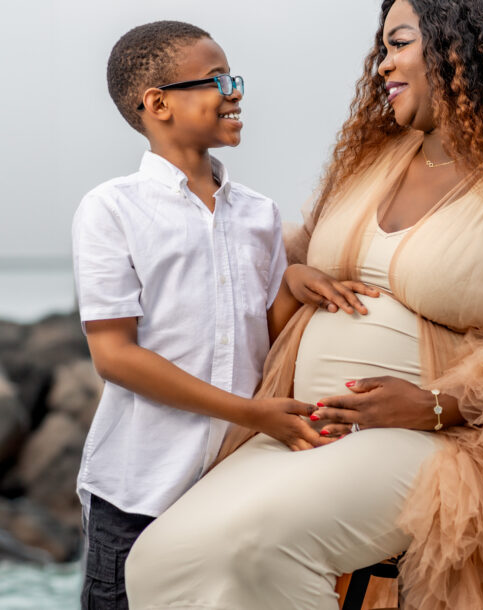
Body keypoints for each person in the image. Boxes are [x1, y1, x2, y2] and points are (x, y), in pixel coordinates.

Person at [125, 2, 483, 608]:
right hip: (309, 424)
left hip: (439, 441)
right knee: (157, 561)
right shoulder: (367, 165)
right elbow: (283, 262)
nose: (383, 65)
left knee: (260, 548)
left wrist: (437, 407)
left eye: (399, 44)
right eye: (382, 49)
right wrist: (296, 271)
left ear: (465, 51)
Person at [72, 20, 377, 610]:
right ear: (157, 102)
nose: (235, 91)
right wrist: (253, 414)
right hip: (138, 490)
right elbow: (114, 356)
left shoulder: (259, 214)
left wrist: (293, 280)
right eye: (216, 80)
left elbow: (261, 336)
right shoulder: (111, 209)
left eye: (233, 77)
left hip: (231, 485)